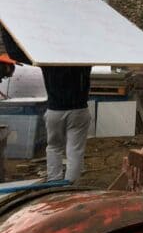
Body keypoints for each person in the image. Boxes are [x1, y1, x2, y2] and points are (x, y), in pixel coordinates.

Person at [1, 28, 91, 183]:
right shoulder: (83, 60)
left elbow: (16, 54)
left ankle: (54, 182)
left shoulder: (49, 59)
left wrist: (5, 29)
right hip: (79, 110)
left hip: (55, 111)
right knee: (75, 150)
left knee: (54, 147)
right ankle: (71, 185)